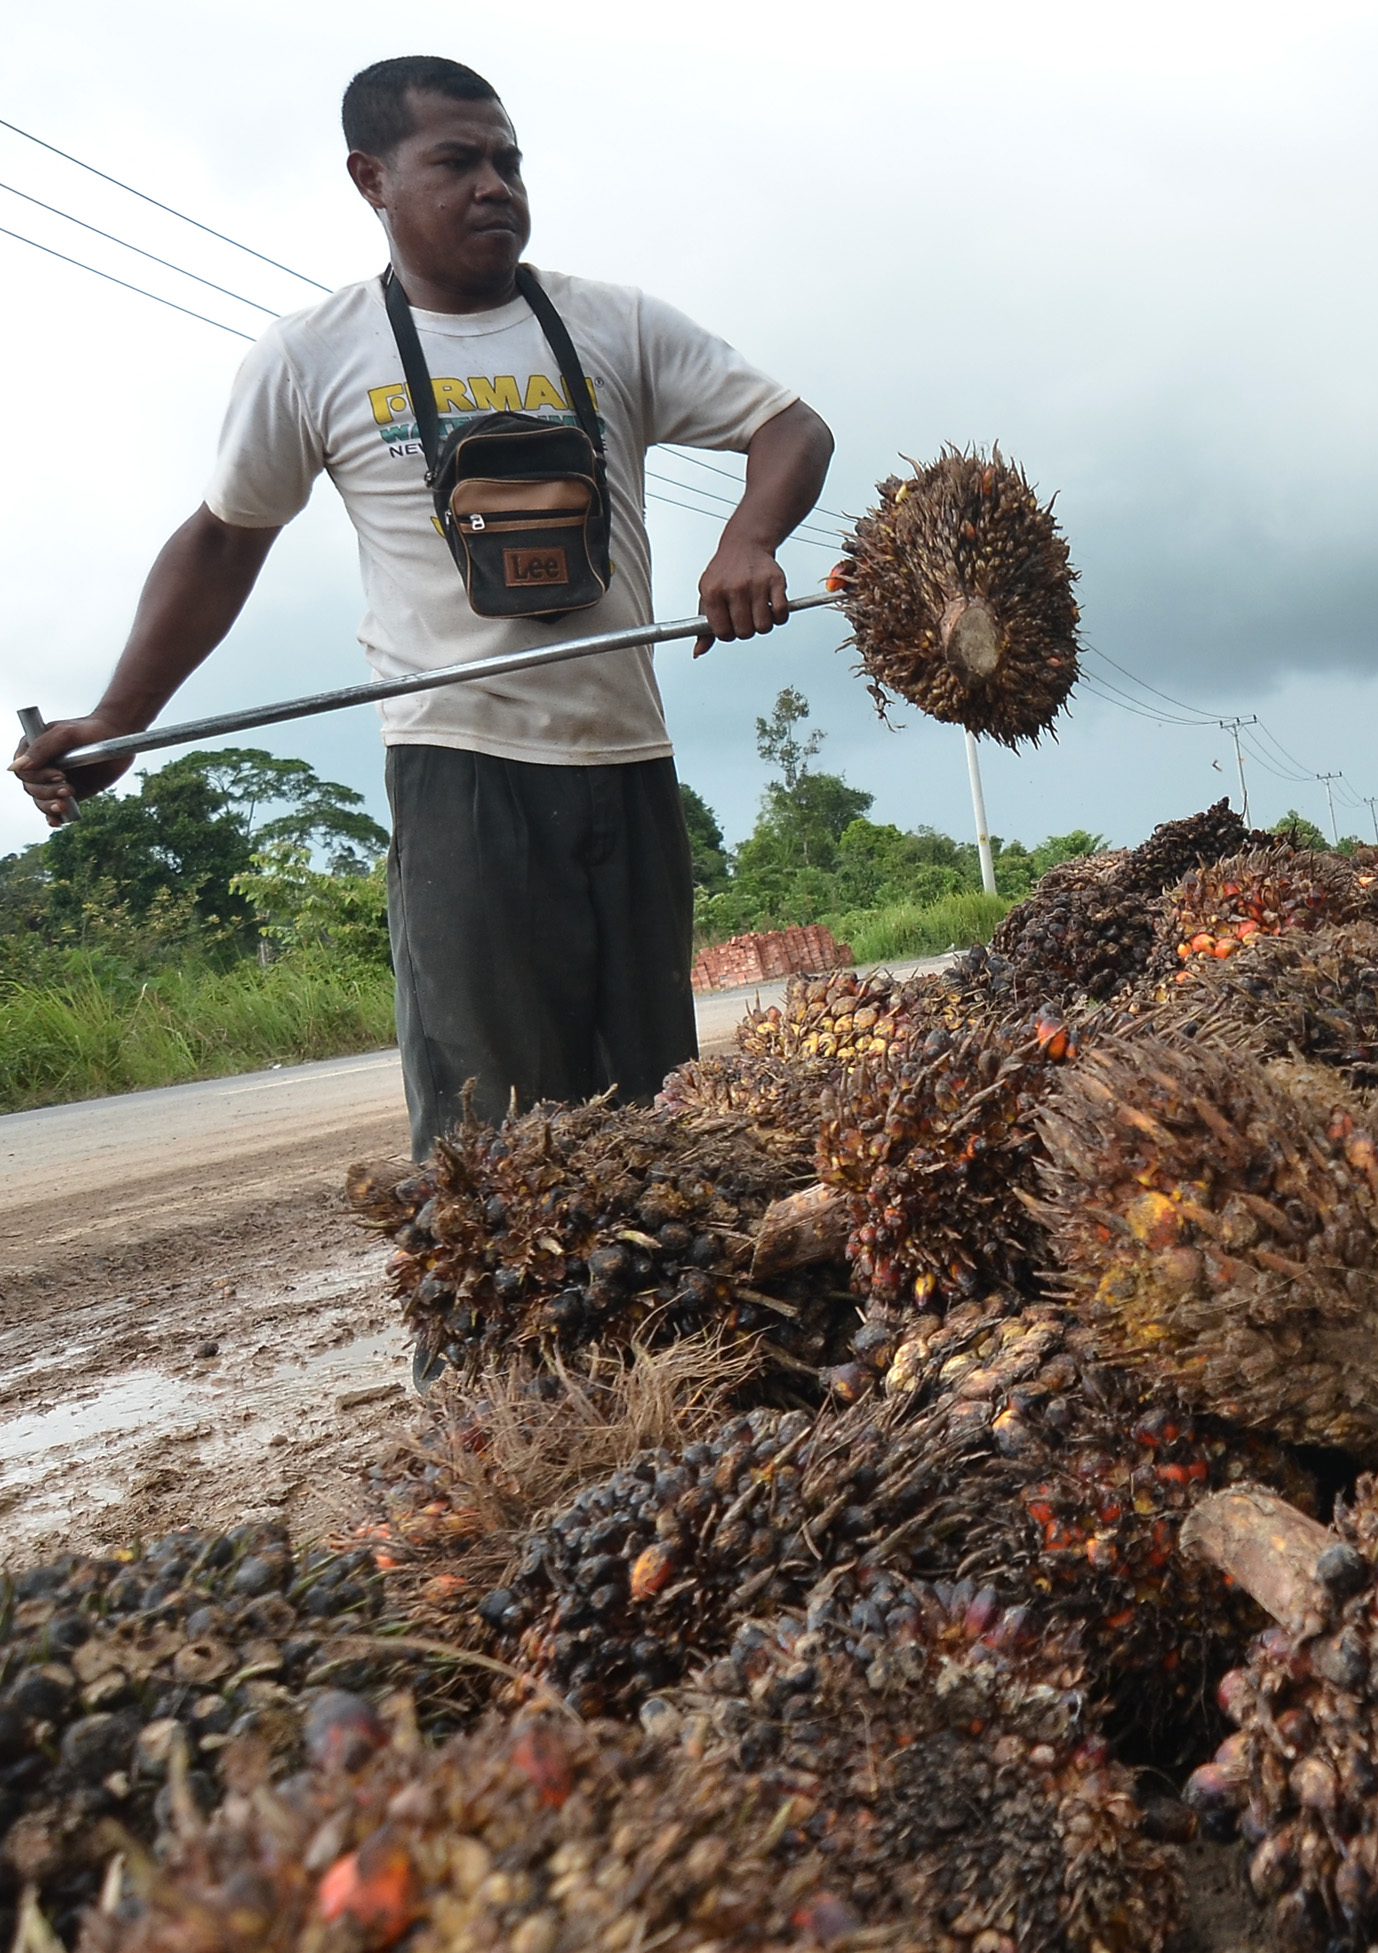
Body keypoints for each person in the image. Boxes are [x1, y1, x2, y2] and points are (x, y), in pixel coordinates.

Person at [11, 56, 834, 1160]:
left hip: (631, 764)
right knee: (490, 1135)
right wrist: (122, 714)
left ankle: (665, 1342)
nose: (496, 186)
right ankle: (475, 1342)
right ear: (373, 179)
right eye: (458, 161)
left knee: (661, 1121)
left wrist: (749, 539)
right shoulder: (315, 354)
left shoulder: (615, 324)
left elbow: (792, 428)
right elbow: (221, 541)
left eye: (508, 162)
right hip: (464, 771)